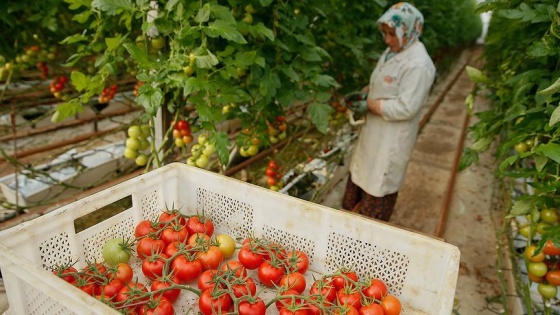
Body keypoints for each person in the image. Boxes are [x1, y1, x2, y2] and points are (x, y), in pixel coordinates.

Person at [342, 2, 436, 221]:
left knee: (373, 214)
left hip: (389, 146)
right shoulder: (392, 50)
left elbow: (407, 107)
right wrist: (366, 93)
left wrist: (371, 104)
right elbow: (381, 83)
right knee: (350, 203)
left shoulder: (419, 65)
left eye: (392, 34)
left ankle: (368, 252)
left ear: (410, 31)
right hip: (372, 138)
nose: (387, 40)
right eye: (385, 33)